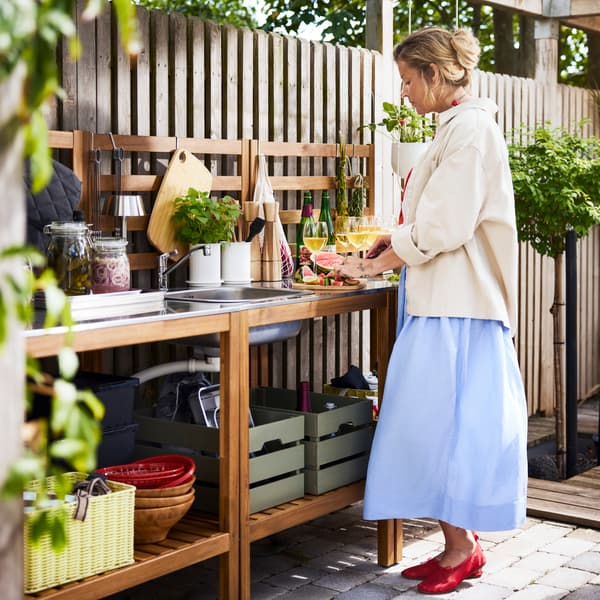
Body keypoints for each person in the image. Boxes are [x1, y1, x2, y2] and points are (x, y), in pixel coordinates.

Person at [338, 27, 527, 595]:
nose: (404, 94)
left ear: (436, 74)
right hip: (448, 302)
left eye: (407, 80)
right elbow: (433, 221)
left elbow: (444, 227)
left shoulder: (469, 132)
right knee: (449, 427)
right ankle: (460, 546)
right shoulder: (461, 128)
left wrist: (377, 261)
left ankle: (461, 548)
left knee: (440, 428)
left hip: (458, 309)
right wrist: (391, 242)